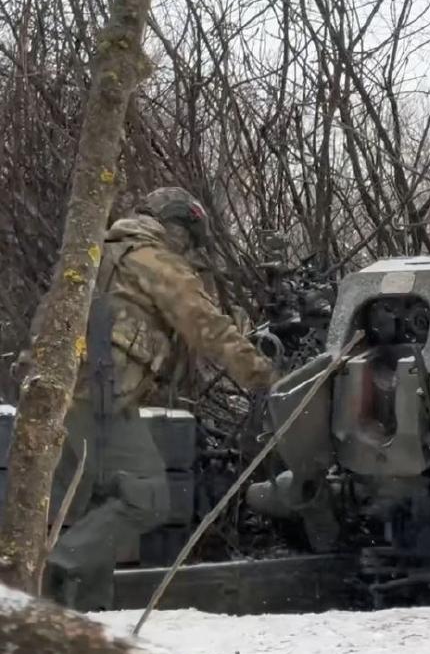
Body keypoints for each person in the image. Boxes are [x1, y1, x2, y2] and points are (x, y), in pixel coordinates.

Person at [24, 187, 277, 610]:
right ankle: (55, 570)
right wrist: (264, 377)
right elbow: (208, 327)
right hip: (101, 401)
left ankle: (82, 609)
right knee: (148, 497)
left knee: (91, 508)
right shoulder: (154, 261)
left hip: (55, 397)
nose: (191, 252)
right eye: (191, 241)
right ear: (178, 228)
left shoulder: (93, 255)